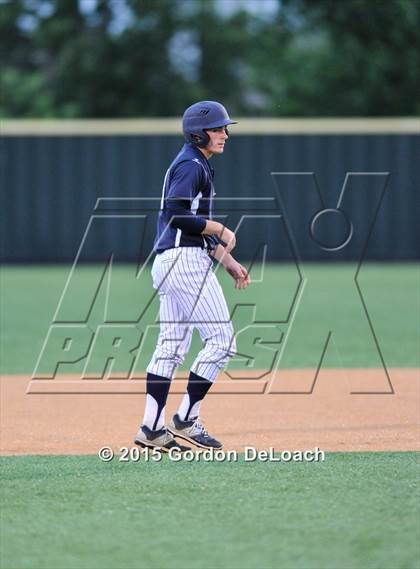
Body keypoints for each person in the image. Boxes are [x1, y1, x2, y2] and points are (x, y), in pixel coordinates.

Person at [134, 101, 250, 452]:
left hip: (174, 259)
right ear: (198, 132)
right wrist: (221, 228)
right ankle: (184, 419)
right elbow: (175, 213)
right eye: (217, 128)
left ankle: (152, 428)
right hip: (184, 264)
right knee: (222, 342)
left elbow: (187, 226)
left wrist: (225, 258)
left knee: (171, 347)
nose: (224, 134)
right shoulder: (190, 163)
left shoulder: (195, 162)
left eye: (224, 127)